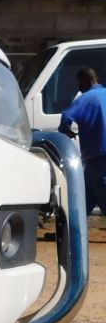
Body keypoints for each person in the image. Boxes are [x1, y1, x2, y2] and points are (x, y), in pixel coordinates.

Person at [59, 67, 106, 214]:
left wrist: (66, 130)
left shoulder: (85, 98)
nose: (78, 87)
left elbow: (66, 117)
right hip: (95, 161)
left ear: (85, 80)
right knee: (83, 197)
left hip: (98, 158)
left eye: (79, 83)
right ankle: (74, 232)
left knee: (101, 192)